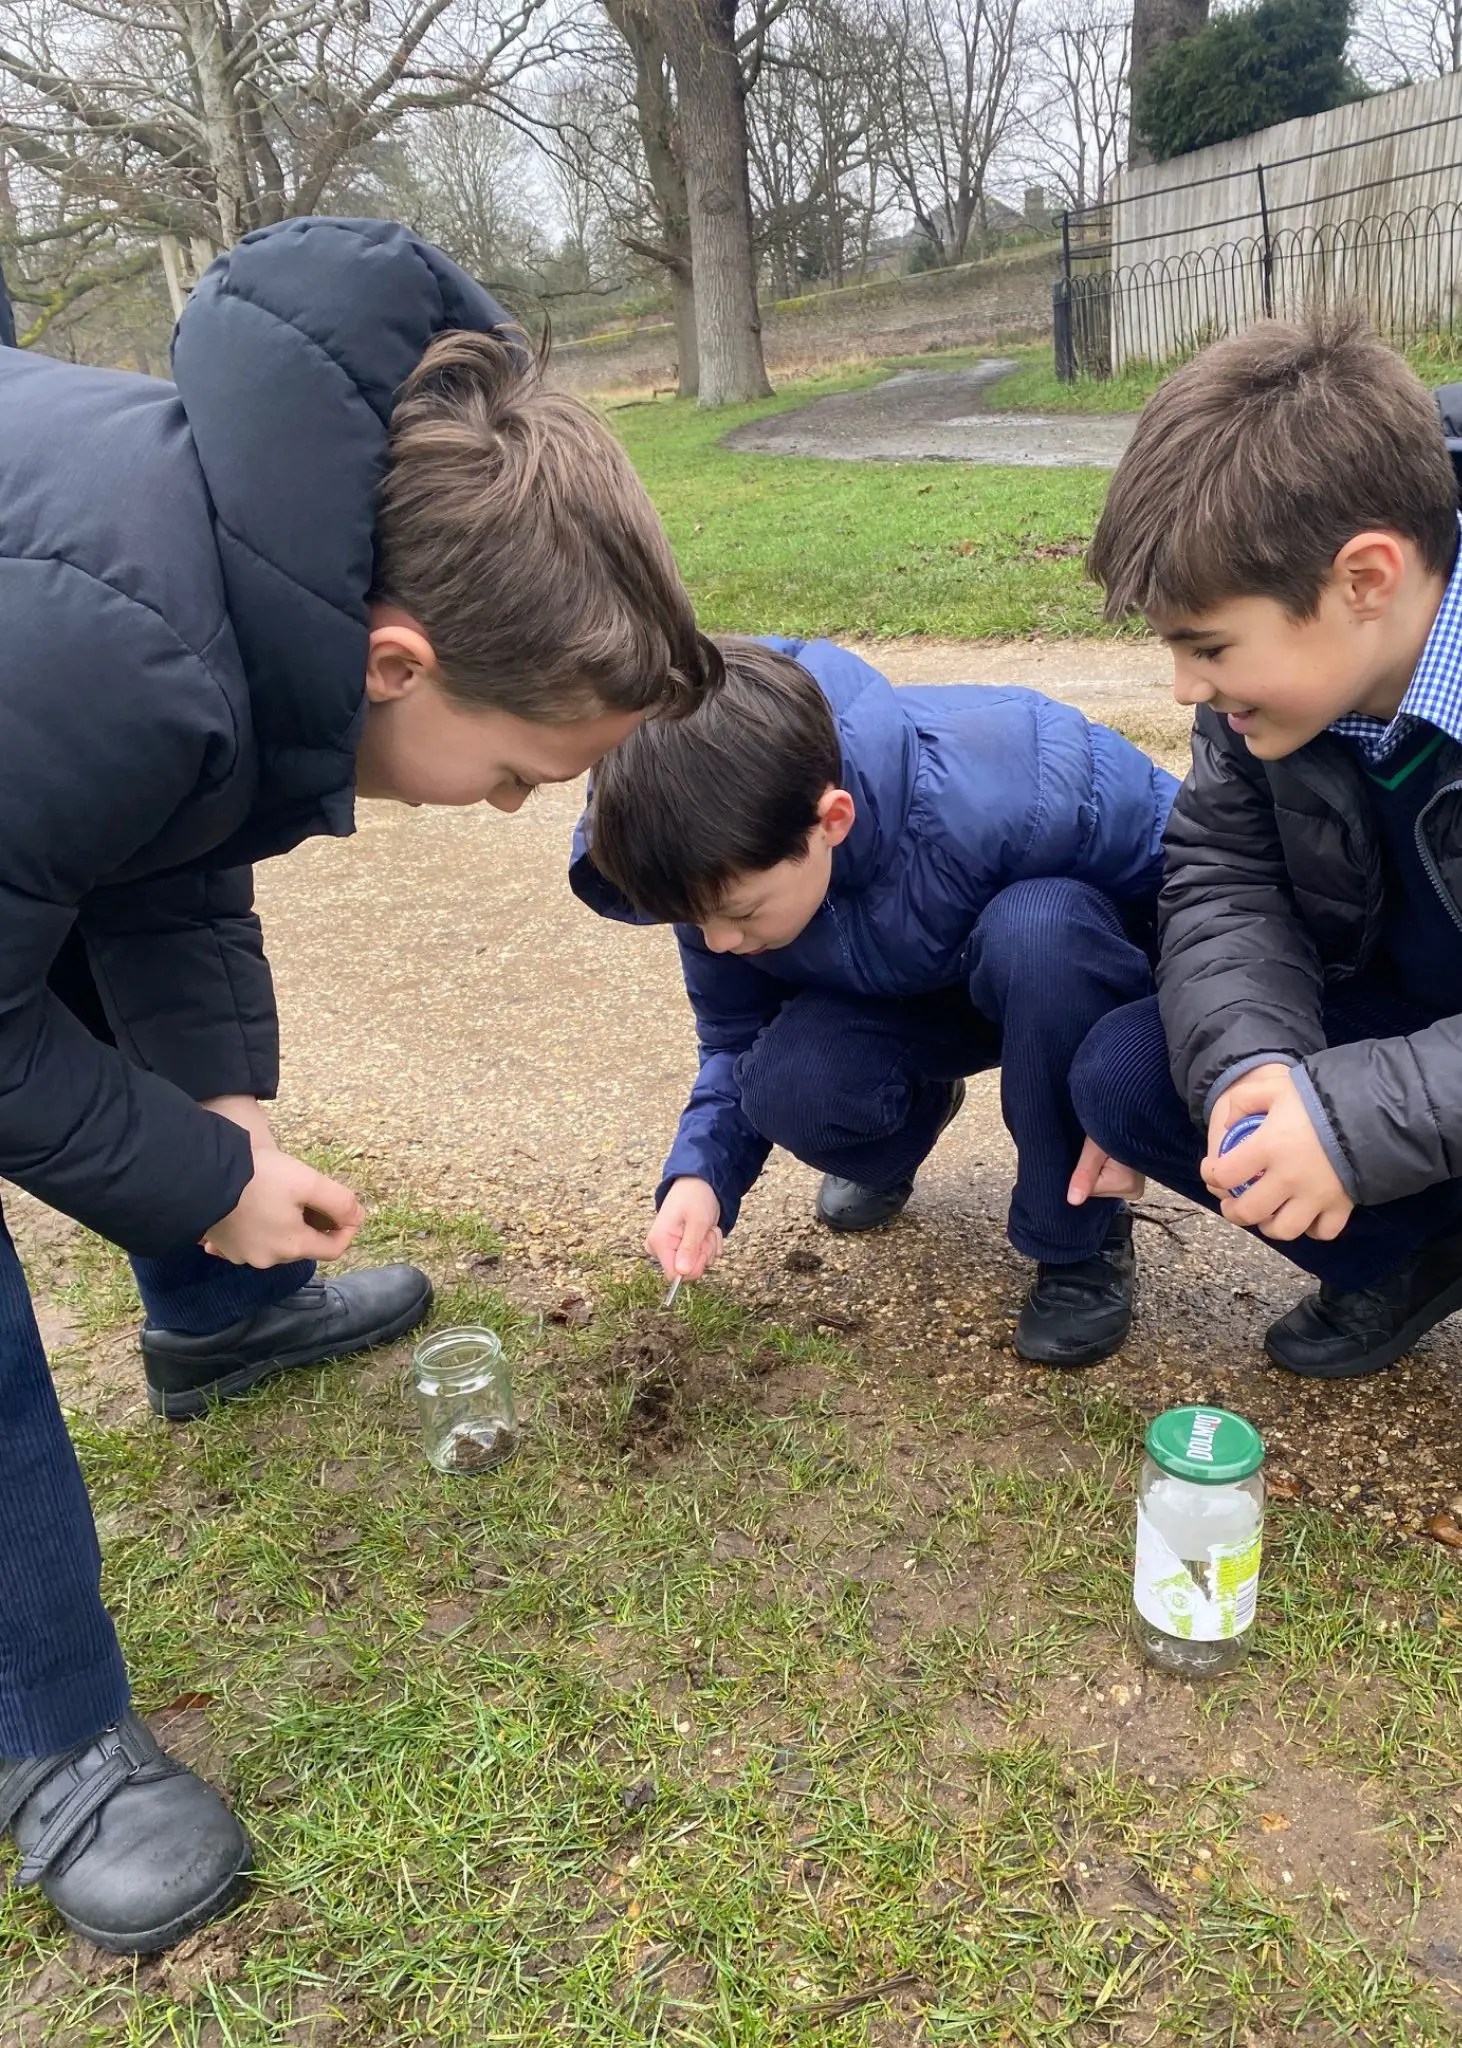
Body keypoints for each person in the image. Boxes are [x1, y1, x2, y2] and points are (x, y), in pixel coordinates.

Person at [0, 217, 706, 1954]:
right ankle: (50, 1732)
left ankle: (217, 1323)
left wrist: (219, 1119)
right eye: (524, 766)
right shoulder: (125, 646)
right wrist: (187, 1173)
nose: (517, 805)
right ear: (399, 661)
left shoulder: (250, 578)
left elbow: (161, 842)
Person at [571, 635, 1176, 1364]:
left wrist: (1126, 1084)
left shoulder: (1024, 780)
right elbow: (734, 1039)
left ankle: (1078, 1236)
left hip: (1054, 985)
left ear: (831, 821)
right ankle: (906, 1123)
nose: (720, 941)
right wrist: (702, 1177)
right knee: (790, 1084)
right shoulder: (709, 870)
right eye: (696, 921)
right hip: (906, 1002)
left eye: (740, 914)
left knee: (1043, 933)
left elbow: (1207, 884)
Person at [1069, 314, 1462, 1384]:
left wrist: (1353, 1120)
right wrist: (1259, 1072)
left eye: (1207, 647)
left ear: (1364, 579)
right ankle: (1422, 1247)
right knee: (1131, 1073)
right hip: (1414, 1029)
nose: (1185, 689)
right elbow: (1222, 879)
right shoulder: (1263, 707)